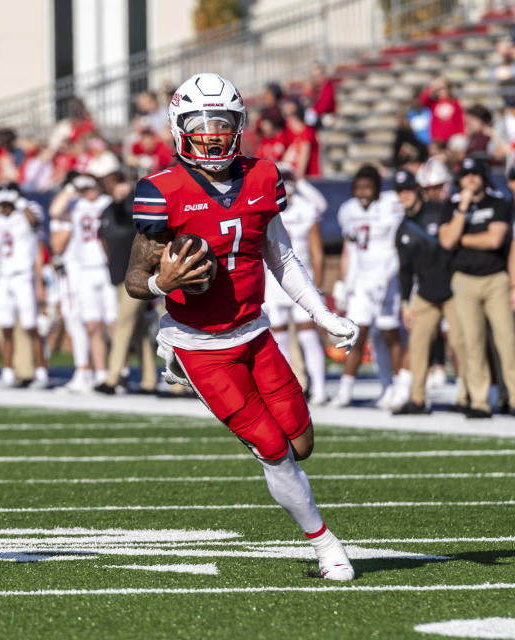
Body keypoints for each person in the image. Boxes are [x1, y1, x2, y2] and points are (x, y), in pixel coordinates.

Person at [125, 72, 358, 581]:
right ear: (177, 128)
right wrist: (164, 285)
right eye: (200, 123)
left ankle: (167, 343)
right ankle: (326, 545)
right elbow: (135, 281)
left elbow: (282, 256)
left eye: (221, 122)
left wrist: (322, 315)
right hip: (202, 345)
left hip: (254, 332)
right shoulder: (160, 191)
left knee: (301, 443)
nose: (211, 132)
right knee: (273, 452)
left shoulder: (263, 177)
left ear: (240, 125)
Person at [438, 156, 515, 418]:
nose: (470, 179)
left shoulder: (499, 203)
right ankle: (479, 401)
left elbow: (495, 240)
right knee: (472, 343)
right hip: (465, 280)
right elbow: (447, 241)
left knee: (507, 342)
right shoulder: (453, 206)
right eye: (465, 175)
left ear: (483, 176)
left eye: (475, 174)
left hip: (496, 280)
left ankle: (514, 398)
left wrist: (463, 239)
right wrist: (462, 209)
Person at [332, 165, 409, 409]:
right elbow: (350, 248)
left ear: (377, 188)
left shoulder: (391, 204)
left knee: (389, 334)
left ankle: (396, 387)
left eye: (368, 187)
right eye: (358, 187)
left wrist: (393, 275)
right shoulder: (348, 210)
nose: (363, 192)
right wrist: (345, 281)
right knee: (356, 334)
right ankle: (346, 389)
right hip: (363, 280)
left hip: (388, 278)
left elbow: (400, 244)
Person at [391, 169, 464, 414]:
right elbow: (405, 271)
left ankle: (469, 396)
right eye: (401, 191)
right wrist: (405, 302)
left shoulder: (439, 210)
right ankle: (418, 398)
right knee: (418, 343)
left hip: (453, 287)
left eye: (409, 190)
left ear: (417, 190)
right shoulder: (402, 230)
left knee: (460, 343)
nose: (405, 195)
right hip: (425, 292)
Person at [262, 167, 328, 405]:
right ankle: (291, 389)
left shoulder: (305, 208)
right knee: (278, 340)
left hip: (301, 279)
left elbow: (317, 253)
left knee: (308, 336)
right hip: (272, 281)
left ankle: (319, 389)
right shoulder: (266, 209)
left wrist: (318, 286)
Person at [0, 182, 49, 388]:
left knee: (31, 326)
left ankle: (42, 373)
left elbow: (35, 222)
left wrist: (17, 200)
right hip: (4, 277)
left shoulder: (26, 213)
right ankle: (8, 372)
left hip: (23, 276)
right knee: (5, 326)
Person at [50, 173, 117, 387]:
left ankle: (119, 372)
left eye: (91, 186)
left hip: (107, 269)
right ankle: (100, 374)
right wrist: (72, 188)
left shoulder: (107, 203)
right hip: (86, 270)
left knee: (114, 323)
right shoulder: (76, 204)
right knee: (92, 324)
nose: (88, 190)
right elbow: (54, 212)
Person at [96, 171, 157, 395]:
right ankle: (149, 380)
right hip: (117, 276)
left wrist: (129, 193)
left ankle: (113, 378)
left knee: (122, 323)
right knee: (139, 330)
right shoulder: (107, 210)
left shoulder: (136, 205)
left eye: (119, 183)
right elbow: (103, 238)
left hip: (138, 275)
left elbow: (135, 223)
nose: (116, 189)